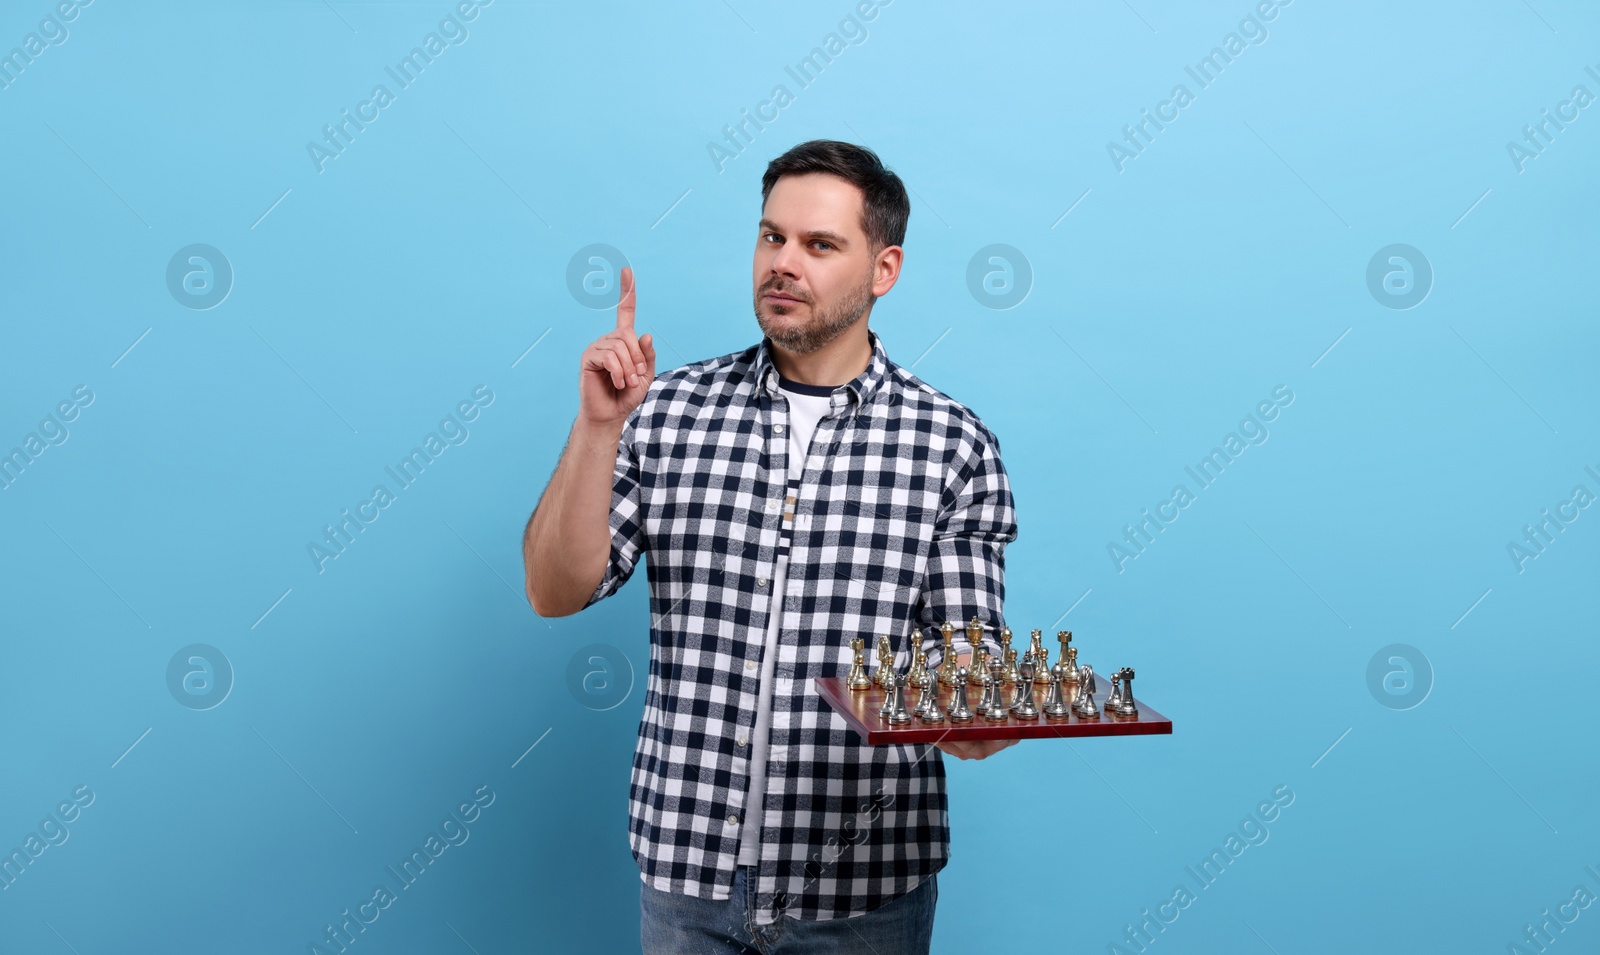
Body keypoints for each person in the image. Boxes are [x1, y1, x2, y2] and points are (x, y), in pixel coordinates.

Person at [523, 140, 1019, 954]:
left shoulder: (952, 445)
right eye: (771, 237)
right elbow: (554, 589)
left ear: (883, 269)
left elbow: (966, 664)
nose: (784, 263)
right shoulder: (669, 408)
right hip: (688, 875)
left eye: (820, 245)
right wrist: (599, 428)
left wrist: (974, 719)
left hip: (864, 889)